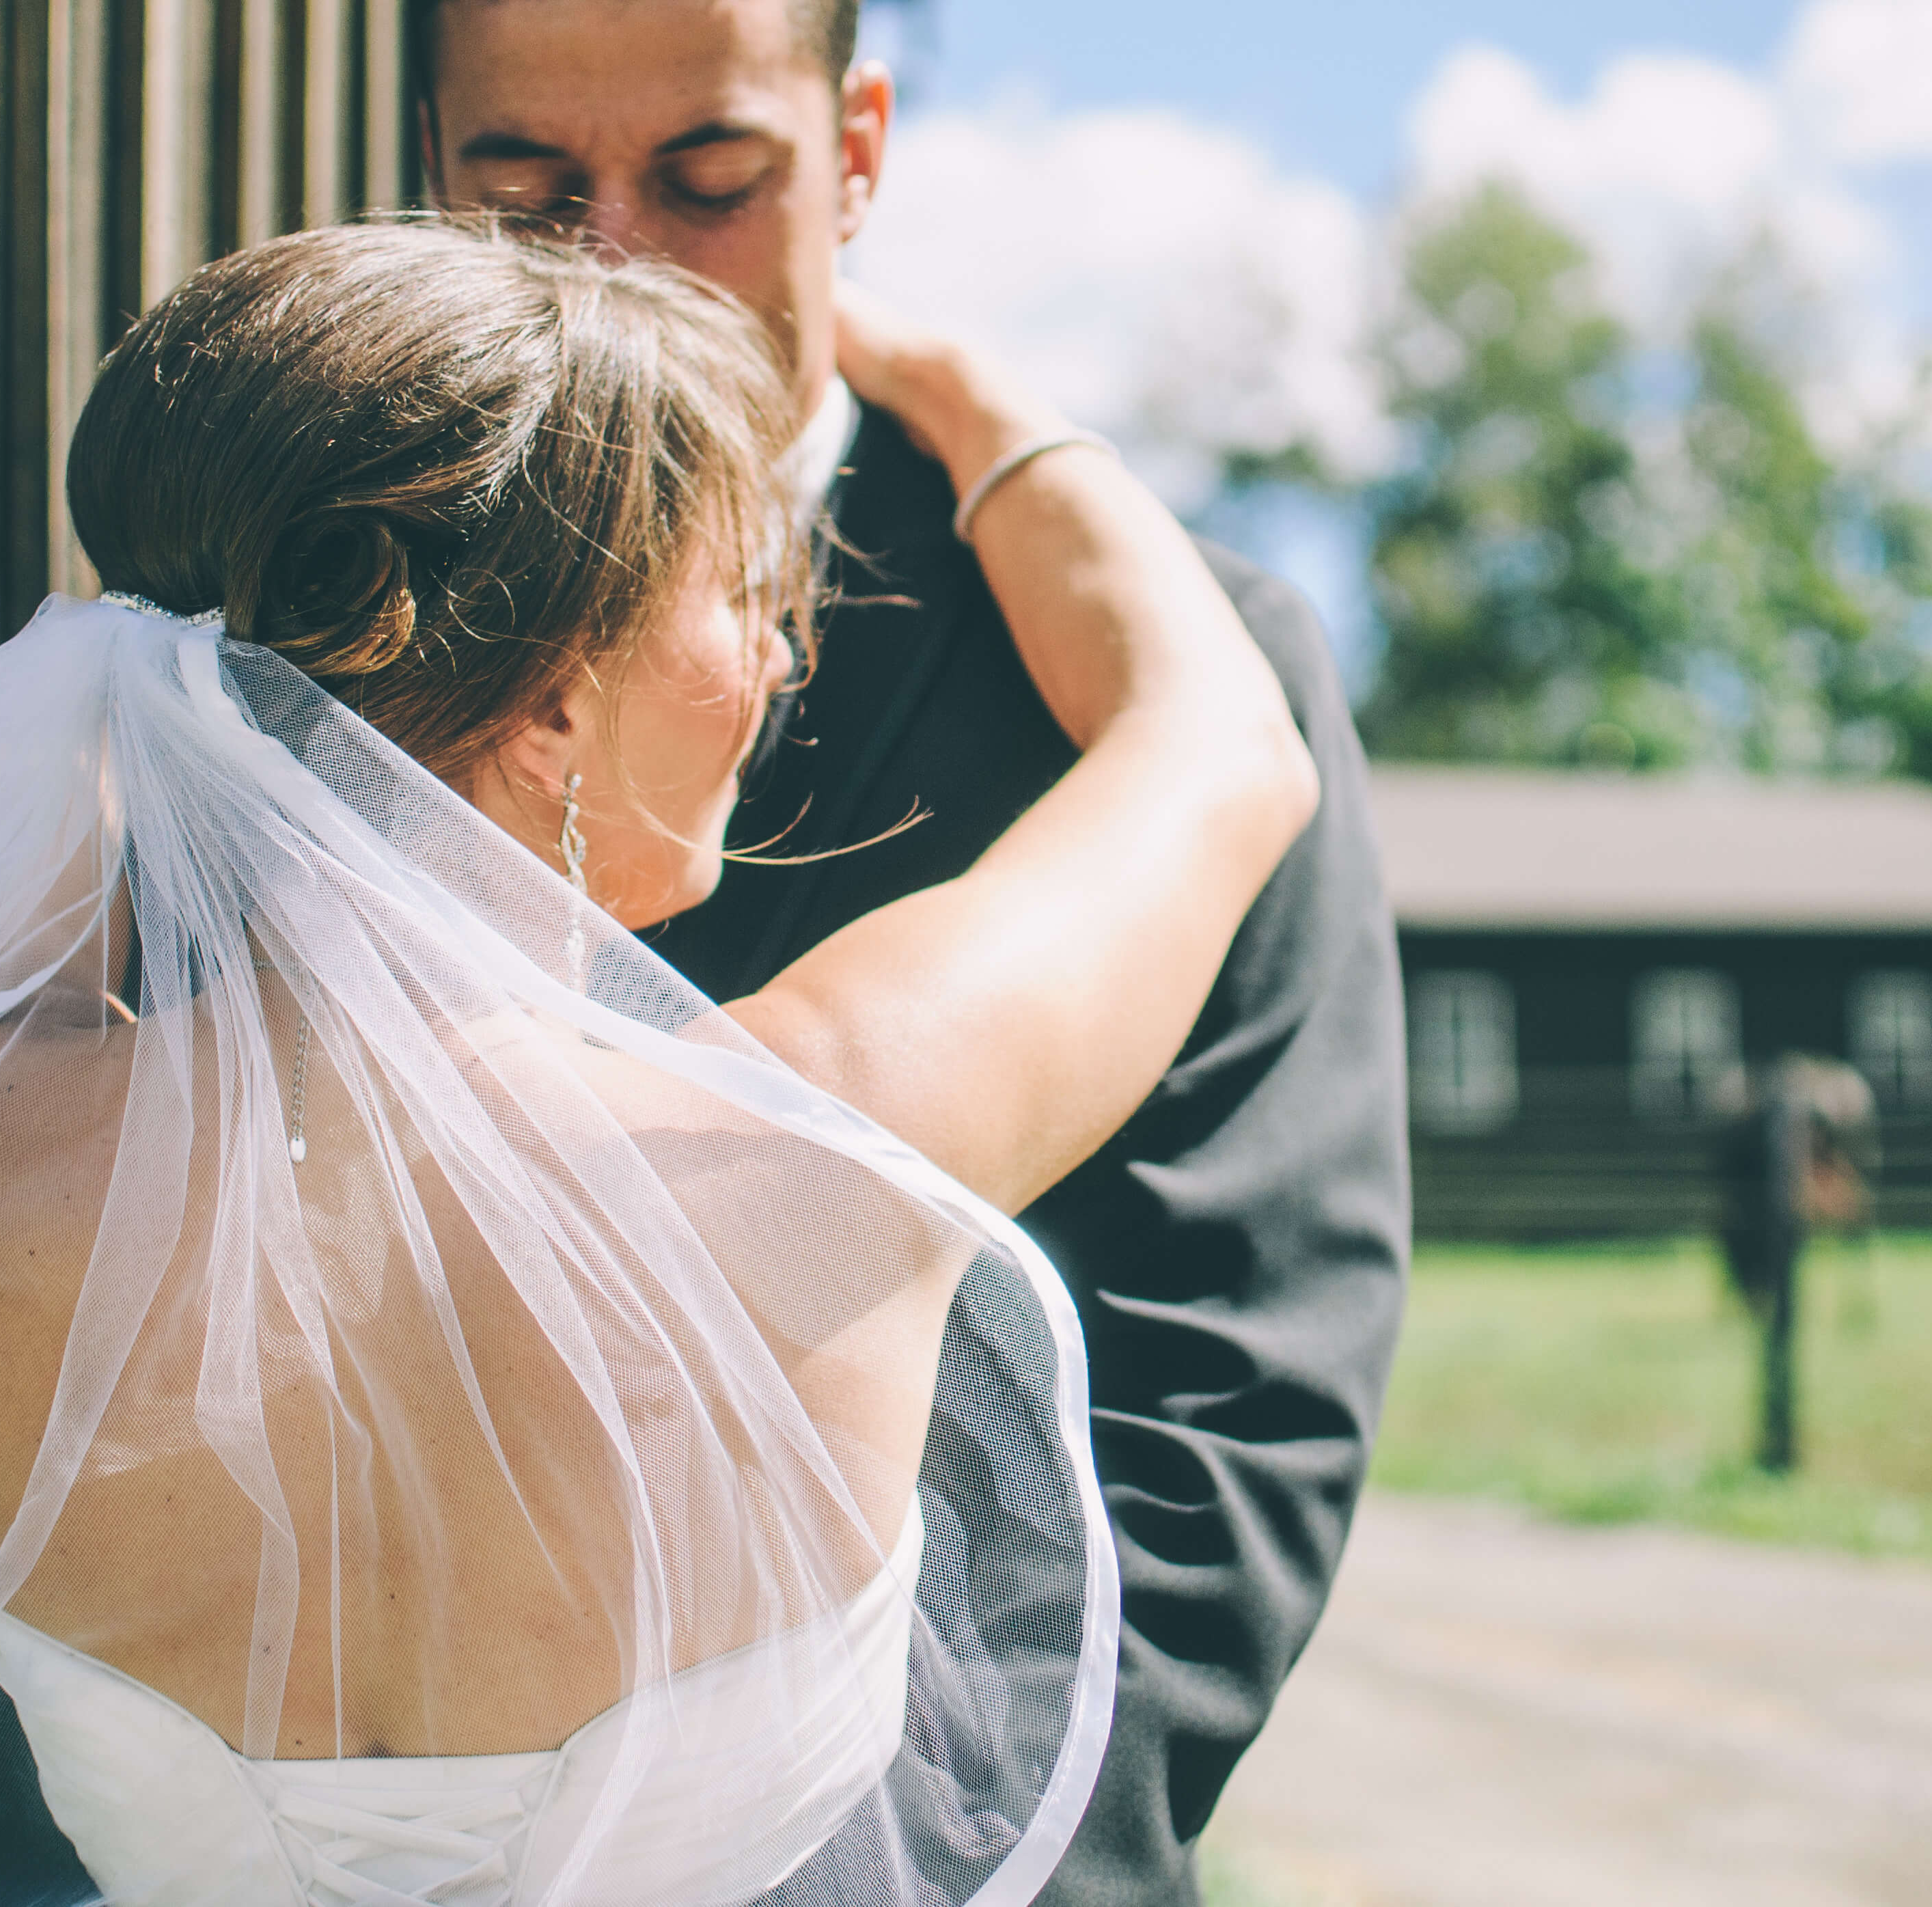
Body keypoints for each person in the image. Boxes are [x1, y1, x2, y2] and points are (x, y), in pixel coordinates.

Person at [0, 219, 1316, 1906]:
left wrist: (173, 659)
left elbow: (76, 782)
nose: (781, 656)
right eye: (744, 593)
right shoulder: (826, 1133)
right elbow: (1223, 745)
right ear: (556, 710)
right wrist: (952, 388)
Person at [422, 3, 1412, 1901]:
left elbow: (1228, 1395)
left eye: (711, 181)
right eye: (529, 192)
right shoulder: (314, 635)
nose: (620, 258)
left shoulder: (1168, 666)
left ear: (856, 150)